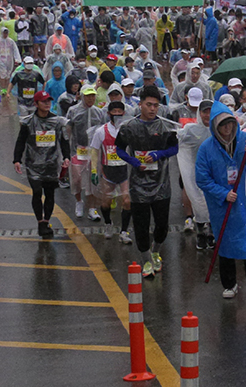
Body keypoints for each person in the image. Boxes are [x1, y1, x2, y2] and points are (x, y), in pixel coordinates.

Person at [196, 103, 246, 300]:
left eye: (230, 124)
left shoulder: (245, 140)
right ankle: (229, 284)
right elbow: (202, 178)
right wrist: (222, 193)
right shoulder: (206, 149)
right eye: (222, 125)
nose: (227, 129)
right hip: (222, 205)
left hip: (245, 200)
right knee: (224, 242)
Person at [115, 85, 180, 277]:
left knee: (162, 225)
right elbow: (118, 148)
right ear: (140, 105)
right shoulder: (129, 127)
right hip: (138, 186)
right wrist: (133, 161)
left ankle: (156, 251)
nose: (152, 109)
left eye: (156, 106)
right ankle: (145, 261)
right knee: (141, 226)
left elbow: (174, 148)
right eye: (149, 105)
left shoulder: (166, 126)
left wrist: (159, 154)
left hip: (162, 184)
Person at [13, 91, 69, 237]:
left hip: (51, 164)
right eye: (43, 101)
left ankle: (45, 221)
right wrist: (17, 159)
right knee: (37, 192)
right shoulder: (28, 122)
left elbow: (64, 140)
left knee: (50, 194)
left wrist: (67, 157)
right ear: (36, 104)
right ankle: (39, 221)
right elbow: (21, 141)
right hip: (33, 164)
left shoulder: (57, 121)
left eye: (48, 101)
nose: (47, 104)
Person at [89, 101, 134, 243]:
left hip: (124, 172)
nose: (117, 114)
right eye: (114, 111)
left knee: (127, 202)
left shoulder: (128, 129)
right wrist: (94, 171)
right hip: (108, 172)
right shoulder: (101, 131)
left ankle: (124, 231)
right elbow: (94, 151)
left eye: (120, 111)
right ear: (108, 114)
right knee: (106, 203)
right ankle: (108, 224)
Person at [66, 86, 106, 221]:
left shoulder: (99, 113)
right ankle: (78, 202)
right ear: (82, 96)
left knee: (93, 180)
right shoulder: (73, 111)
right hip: (78, 151)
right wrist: (68, 149)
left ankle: (92, 208)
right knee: (76, 179)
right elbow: (68, 130)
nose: (91, 98)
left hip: (94, 151)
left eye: (93, 96)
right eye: (88, 96)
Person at [178, 98, 214, 249]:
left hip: (213, 174)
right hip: (196, 174)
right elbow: (177, 139)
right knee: (199, 205)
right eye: (204, 112)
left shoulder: (218, 129)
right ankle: (200, 234)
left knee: (212, 204)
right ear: (199, 113)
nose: (207, 115)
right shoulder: (190, 129)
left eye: (210, 111)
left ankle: (212, 234)